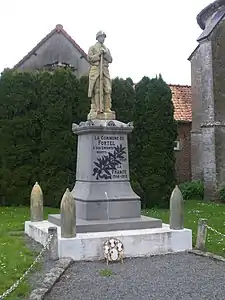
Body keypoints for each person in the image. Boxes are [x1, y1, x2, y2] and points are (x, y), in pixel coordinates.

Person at [87, 31, 113, 117]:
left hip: (105, 70)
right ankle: (97, 108)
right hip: (96, 70)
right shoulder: (92, 48)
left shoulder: (107, 49)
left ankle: (106, 108)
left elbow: (110, 59)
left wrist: (105, 53)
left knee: (107, 89)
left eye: (104, 37)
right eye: (101, 37)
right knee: (97, 89)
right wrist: (98, 54)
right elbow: (90, 58)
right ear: (97, 38)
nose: (103, 39)